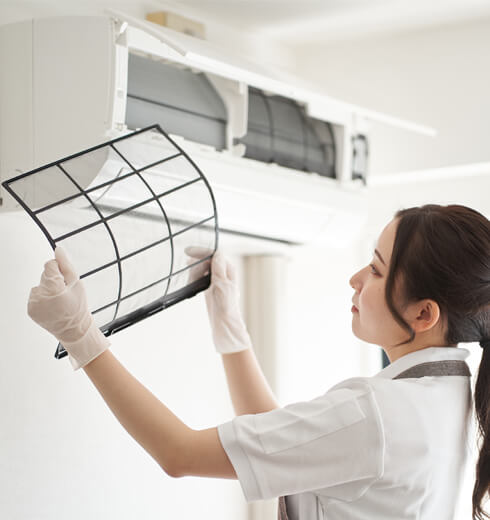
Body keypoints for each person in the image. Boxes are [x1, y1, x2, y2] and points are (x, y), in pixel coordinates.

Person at [27, 203, 490, 519]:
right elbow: (280, 441)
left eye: (375, 269)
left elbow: (179, 453)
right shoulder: (450, 398)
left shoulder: (378, 412)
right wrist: (231, 329)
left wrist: (81, 335)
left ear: (424, 313)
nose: (355, 279)